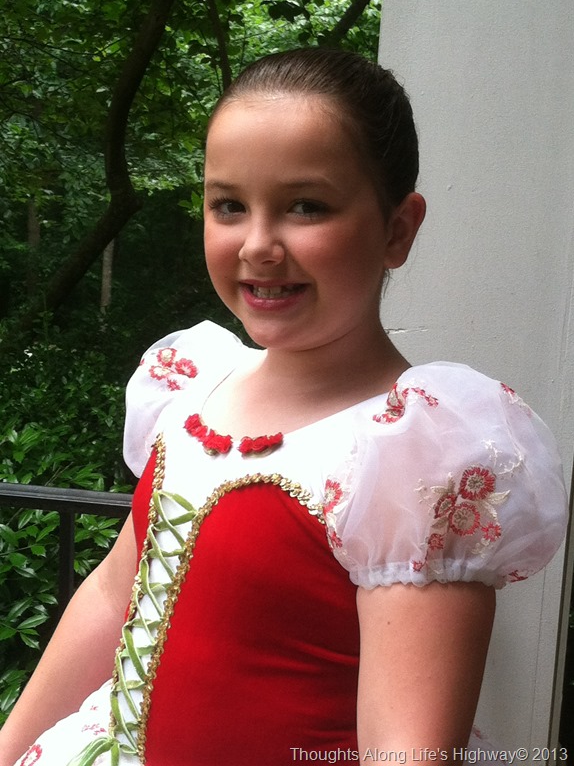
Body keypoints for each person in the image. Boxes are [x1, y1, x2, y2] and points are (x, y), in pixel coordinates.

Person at [0, 47, 567, 766]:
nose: (259, 245)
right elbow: (113, 599)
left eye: (306, 206)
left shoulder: (412, 460)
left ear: (397, 229)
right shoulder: (192, 388)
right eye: (229, 205)